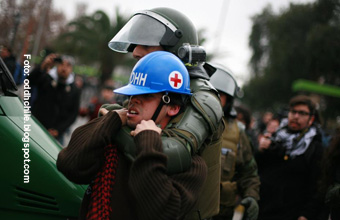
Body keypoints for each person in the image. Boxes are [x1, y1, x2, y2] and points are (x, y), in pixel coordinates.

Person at [57, 51, 208, 220]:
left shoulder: (190, 164)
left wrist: (149, 145)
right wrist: (110, 121)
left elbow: (161, 212)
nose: (134, 100)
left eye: (147, 96)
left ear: (172, 107)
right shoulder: (115, 132)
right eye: (133, 94)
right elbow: (69, 165)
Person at [106, 7, 224, 219]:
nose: (135, 52)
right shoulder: (155, 83)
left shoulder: (204, 97)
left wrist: (110, 124)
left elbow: (175, 151)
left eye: (147, 44)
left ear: (176, 49)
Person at [256, 95, 324, 220]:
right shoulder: (275, 137)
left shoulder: (314, 147)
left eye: (302, 113)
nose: (296, 116)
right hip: (263, 210)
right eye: (293, 112)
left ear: (311, 119)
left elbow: (318, 186)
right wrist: (260, 150)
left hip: (291, 213)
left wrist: (306, 214)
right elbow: (258, 170)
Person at [208, 64, 260, 220]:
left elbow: (249, 174)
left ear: (228, 100)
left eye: (219, 95)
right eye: (209, 92)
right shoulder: (181, 121)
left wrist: (251, 195)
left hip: (220, 213)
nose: (212, 99)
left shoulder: (238, 132)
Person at [28, 54, 81, 145]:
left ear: (71, 69)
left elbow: (73, 114)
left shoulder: (74, 89)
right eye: (61, 64)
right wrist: (42, 66)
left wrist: (58, 130)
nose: (64, 68)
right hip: (36, 127)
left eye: (68, 65)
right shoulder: (47, 79)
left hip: (56, 136)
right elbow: (29, 81)